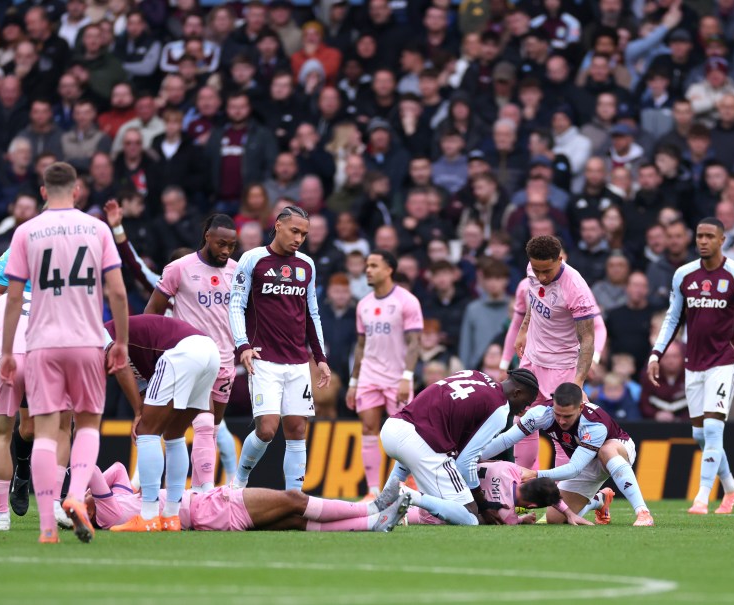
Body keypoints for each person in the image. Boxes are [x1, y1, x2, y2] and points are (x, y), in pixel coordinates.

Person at [0, 162, 130, 544]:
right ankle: (73, 494)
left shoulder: (26, 232)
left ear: (43, 192)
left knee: (43, 432)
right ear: (77, 191)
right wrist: (121, 341)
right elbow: (118, 291)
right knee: (86, 424)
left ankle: (46, 526)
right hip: (86, 341)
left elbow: (12, 298)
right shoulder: (97, 229)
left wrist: (7, 350)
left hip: (42, 343)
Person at [648, 217, 734, 515]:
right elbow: (672, 318)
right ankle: (731, 488)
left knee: (714, 429)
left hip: (724, 362)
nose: (703, 241)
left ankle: (702, 498)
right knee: (699, 435)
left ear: (722, 240)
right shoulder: (683, 275)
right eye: (699, 236)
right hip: (693, 364)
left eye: (709, 236)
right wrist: (656, 354)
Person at [229, 205, 330, 491]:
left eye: (304, 234)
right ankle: (239, 482)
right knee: (267, 429)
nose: (299, 238)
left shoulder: (306, 265)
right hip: (263, 359)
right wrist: (243, 345)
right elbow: (236, 304)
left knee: (297, 429)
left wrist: (320, 357)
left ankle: (294, 497)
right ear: (278, 226)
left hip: (297, 361)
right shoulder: (253, 259)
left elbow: (312, 313)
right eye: (294, 231)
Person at [145, 215, 239, 492]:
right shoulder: (180, 268)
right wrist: (156, 354)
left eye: (231, 245)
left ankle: (199, 491)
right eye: (221, 244)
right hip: (192, 357)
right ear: (207, 236)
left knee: (213, 426)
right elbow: (152, 312)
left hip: (225, 359)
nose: (226, 250)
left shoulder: (237, 271)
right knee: (204, 422)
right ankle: (205, 491)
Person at [101, 315, 221, 532]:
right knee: (174, 433)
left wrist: (138, 413)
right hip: (209, 352)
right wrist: (141, 411)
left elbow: (119, 364)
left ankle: (148, 516)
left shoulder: (96, 335)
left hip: (182, 352)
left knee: (146, 431)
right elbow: (143, 387)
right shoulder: (133, 353)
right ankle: (171, 516)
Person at [374, 368, 539, 526]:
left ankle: (384, 505)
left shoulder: (475, 374)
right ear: (517, 393)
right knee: (470, 516)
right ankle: (407, 495)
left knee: (413, 450)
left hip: (393, 428)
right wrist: (483, 504)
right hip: (420, 443)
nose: (522, 411)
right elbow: (465, 462)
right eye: (525, 404)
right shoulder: (500, 410)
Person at [484, 382, 654, 527]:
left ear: (581, 407)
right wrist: (475, 457)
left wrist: (535, 474)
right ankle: (599, 500)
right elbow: (506, 440)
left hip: (618, 449)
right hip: (585, 462)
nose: (561, 421)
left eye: (567, 416)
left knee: (606, 450)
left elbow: (574, 469)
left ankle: (643, 513)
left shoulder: (594, 424)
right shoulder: (541, 413)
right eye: (558, 414)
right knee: (555, 519)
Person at [87, 462, 409, 533]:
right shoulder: (105, 513)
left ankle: (373, 523)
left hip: (207, 512)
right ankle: (371, 506)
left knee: (295, 520)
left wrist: (86, 495)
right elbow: (94, 470)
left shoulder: (114, 504)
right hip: (210, 508)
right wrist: (81, 493)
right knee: (294, 499)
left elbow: (117, 471)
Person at [512, 235, 607, 470]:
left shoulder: (575, 288)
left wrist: (578, 383)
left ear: (560, 259)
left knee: (563, 433)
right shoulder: (532, 269)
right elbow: (534, 298)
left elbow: (587, 338)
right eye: (537, 270)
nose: (541, 276)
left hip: (562, 368)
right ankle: (523, 486)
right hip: (532, 359)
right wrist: (524, 329)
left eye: (547, 271)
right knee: (522, 423)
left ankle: (563, 491)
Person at [346, 250, 422, 500]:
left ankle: (407, 484)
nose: (367, 270)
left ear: (389, 270)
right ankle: (372, 491)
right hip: (369, 376)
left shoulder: (407, 301)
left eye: (374, 266)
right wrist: (353, 382)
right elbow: (360, 345)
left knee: (403, 434)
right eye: (367, 265)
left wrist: (407, 377)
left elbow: (414, 343)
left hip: (397, 378)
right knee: (368, 428)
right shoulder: (363, 304)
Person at [0, 291, 30, 530]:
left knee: (1, 436)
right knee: (54, 433)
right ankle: (52, 509)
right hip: (42, 358)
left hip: (5, 358)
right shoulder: (50, 295)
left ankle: (2, 517)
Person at [406, 461, 563, 526]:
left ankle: (403, 497)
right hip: (435, 515)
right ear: (532, 505)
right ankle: (406, 506)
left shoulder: (509, 468)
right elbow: (502, 518)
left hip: (438, 482)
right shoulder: (507, 516)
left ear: (529, 481)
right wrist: (521, 519)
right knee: (467, 520)